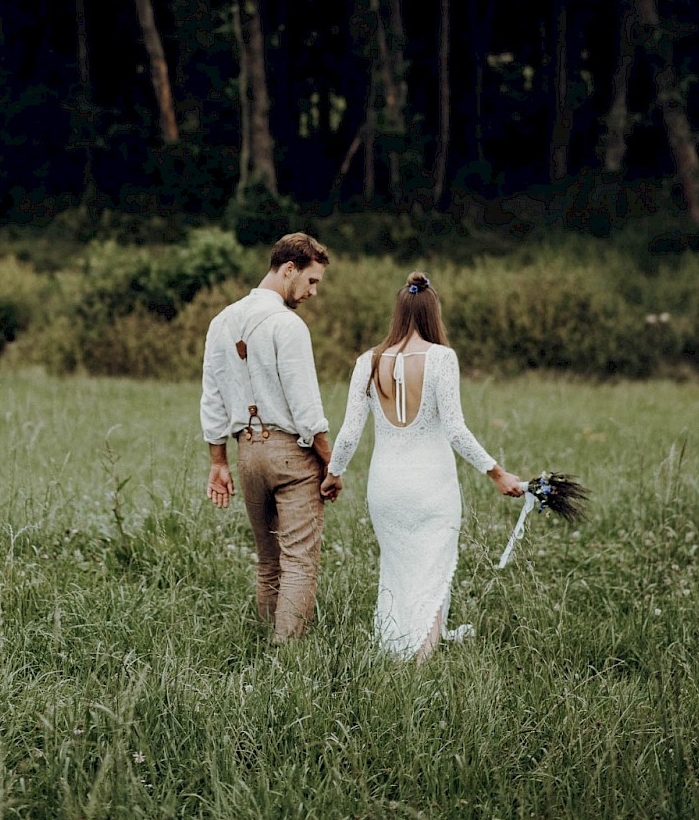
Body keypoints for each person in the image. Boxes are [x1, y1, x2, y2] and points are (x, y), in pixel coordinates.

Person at [320, 271, 522, 663]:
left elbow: (347, 433)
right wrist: (497, 473)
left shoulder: (368, 361)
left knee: (396, 571)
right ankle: (420, 662)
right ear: (434, 313)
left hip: (386, 488)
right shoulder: (441, 359)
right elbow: (456, 430)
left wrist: (334, 473)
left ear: (398, 312)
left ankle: (394, 650)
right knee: (432, 572)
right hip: (432, 487)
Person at [200, 231, 339, 641]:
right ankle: (286, 660)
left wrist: (218, 462)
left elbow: (212, 399)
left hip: (247, 455)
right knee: (298, 563)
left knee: (268, 563)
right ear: (288, 269)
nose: (313, 292)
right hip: (291, 457)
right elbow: (306, 407)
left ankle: (263, 648)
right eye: (311, 281)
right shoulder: (287, 325)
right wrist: (331, 462)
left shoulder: (221, 321)